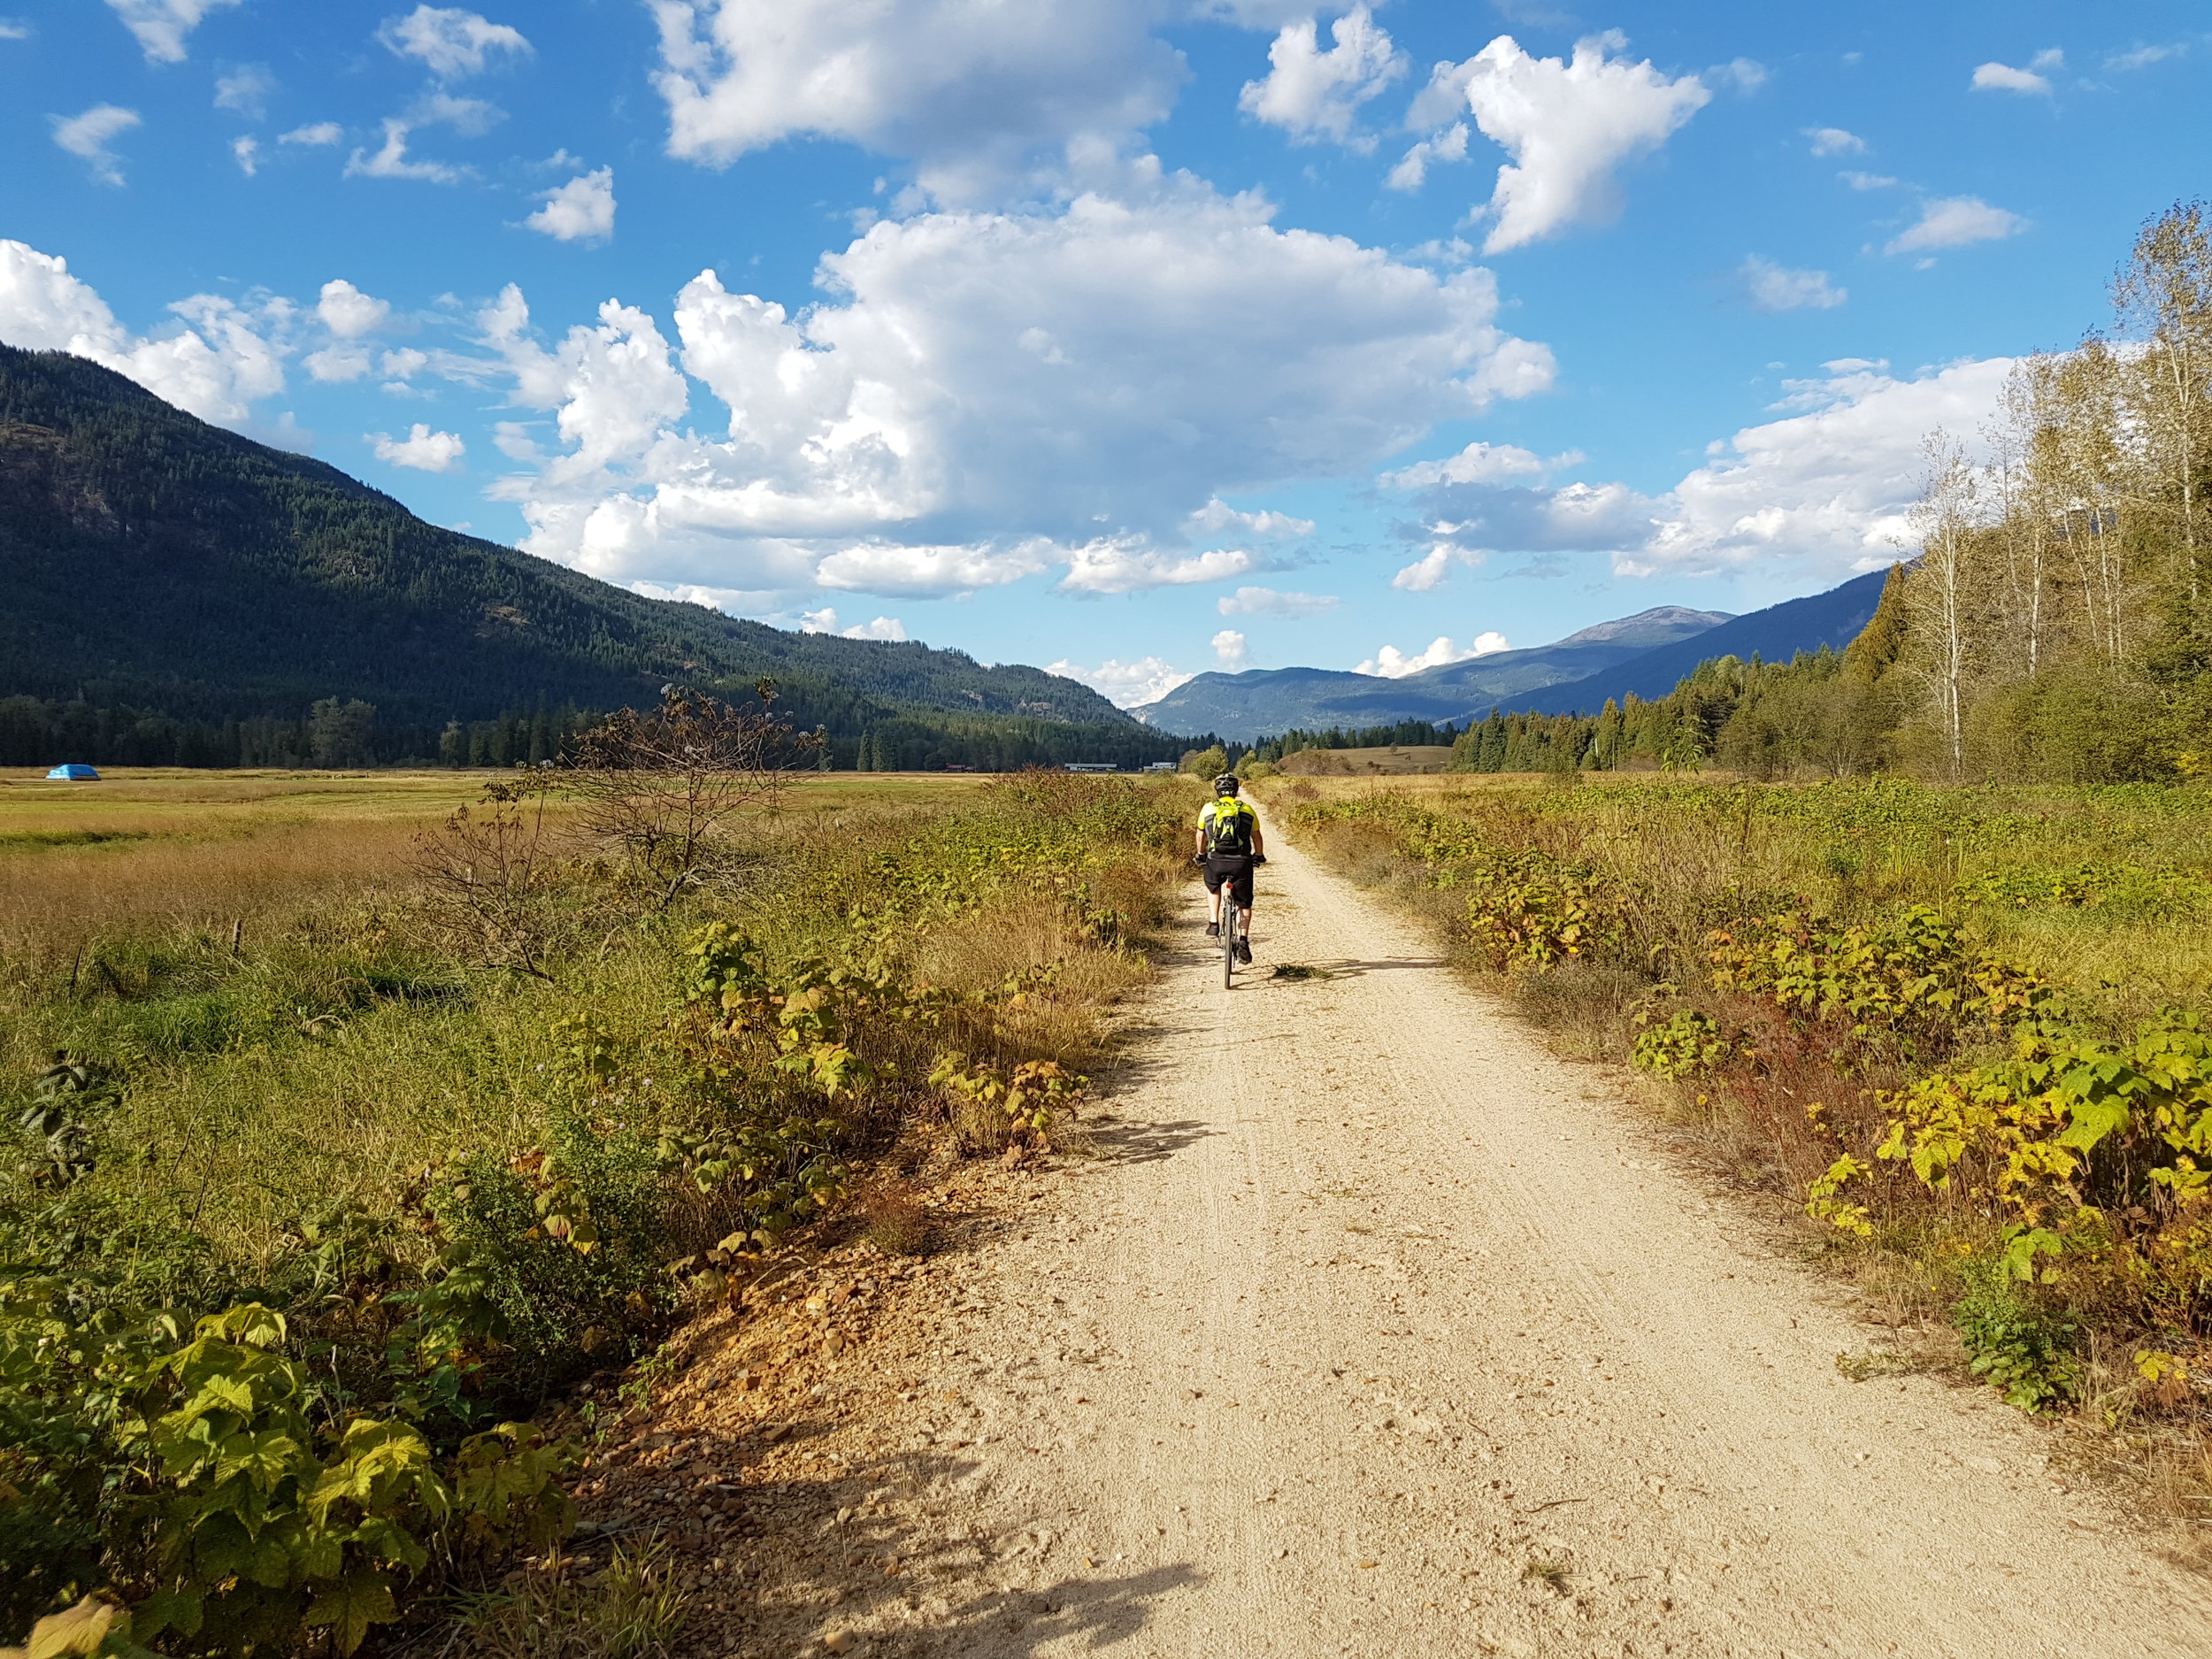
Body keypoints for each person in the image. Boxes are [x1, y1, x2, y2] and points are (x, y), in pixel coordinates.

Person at [1194, 772, 1265, 963]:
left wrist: (1200, 855)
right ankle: (1243, 940)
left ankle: (1214, 922)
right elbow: (1257, 837)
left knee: (1213, 887)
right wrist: (1259, 856)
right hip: (1241, 862)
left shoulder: (1208, 808)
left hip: (1216, 860)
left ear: (1217, 790)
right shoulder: (1247, 809)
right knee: (1245, 903)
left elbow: (1201, 836)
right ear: (1236, 790)